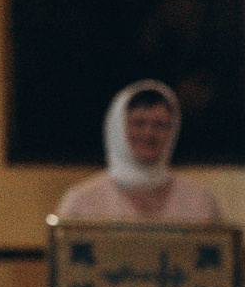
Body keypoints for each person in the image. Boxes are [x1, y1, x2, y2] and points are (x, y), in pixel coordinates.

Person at [55, 80, 226, 221]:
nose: (149, 134)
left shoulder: (200, 201)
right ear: (117, 128)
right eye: (138, 123)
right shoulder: (82, 202)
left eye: (160, 125)